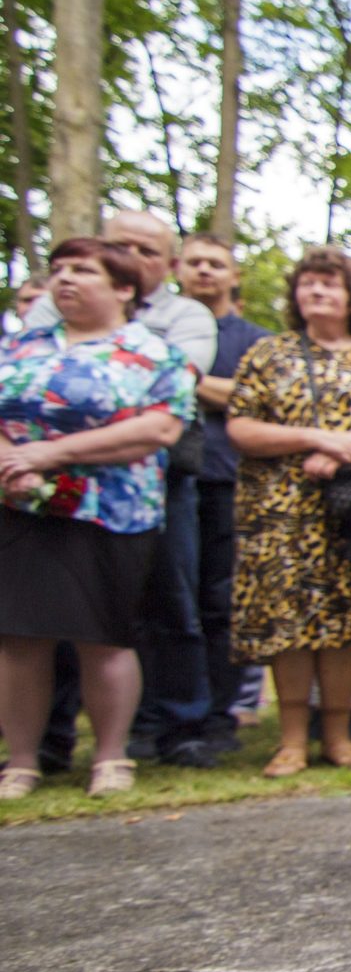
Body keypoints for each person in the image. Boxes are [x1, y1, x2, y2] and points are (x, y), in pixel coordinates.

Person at [0, 238, 196, 799]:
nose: (64, 280)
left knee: (104, 635)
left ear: (123, 288)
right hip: (21, 503)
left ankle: (110, 757)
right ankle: (21, 761)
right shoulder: (22, 344)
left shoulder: (150, 353)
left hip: (110, 510)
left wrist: (51, 454)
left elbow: (160, 428)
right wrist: (15, 464)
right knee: (19, 637)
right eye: (58, 270)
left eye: (82, 271)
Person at [227, 247, 351, 777]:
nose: (316, 292)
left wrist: (348, 447)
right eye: (308, 283)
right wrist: (312, 436)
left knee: (345, 622)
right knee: (289, 623)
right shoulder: (268, 354)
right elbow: (241, 427)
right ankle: (291, 740)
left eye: (329, 284)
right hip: (280, 512)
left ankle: (338, 735)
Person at [177, 233, 272, 758]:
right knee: (168, 603)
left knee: (222, 600)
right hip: (162, 478)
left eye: (216, 263)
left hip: (227, 478)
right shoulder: (158, 324)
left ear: (233, 275)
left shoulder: (255, 340)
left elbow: (256, 399)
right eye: (195, 263)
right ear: (178, 268)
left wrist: (179, 376)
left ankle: (218, 715)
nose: (205, 271)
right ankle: (161, 719)